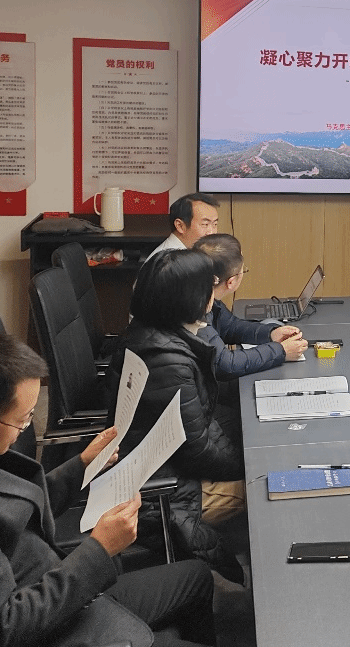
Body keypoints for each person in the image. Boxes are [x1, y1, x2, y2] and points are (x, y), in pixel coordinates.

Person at [0, 334, 215, 647]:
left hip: (61, 590)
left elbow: (15, 504)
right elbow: (1, 629)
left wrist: (83, 464)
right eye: (22, 420)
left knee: (197, 576)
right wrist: (100, 548)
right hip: (57, 622)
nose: (23, 430)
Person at [108, 247, 246, 579]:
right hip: (162, 494)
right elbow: (197, 453)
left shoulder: (152, 333)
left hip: (157, 466)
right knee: (261, 488)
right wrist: (251, 463)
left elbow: (197, 424)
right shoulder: (168, 362)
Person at [194, 233, 308, 379]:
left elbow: (229, 327)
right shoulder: (195, 309)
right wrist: (281, 351)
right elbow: (225, 364)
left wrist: (270, 334)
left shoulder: (199, 291)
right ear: (231, 282)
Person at [149, 193, 221, 258]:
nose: (212, 232)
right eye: (205, 224)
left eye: (215, 224)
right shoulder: (170, 260)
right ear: (180, 226)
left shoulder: (191, 253)